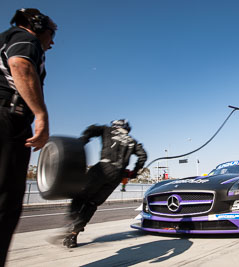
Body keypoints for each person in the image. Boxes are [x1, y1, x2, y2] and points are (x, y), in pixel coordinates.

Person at [0, 8, 57, 266]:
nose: (52, 41)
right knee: (5, 203)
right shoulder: (26, 38)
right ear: (37, 25)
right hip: (7, 120)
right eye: (51, 33)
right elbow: (20, 65)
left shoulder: (5, 37)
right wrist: (41, 115)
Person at [62, 119, 147, 248]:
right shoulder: (131, 141)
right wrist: (135, 172)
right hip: (117, 176)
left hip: (103, 168)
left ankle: (71, 219)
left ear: (115, 125)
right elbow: (143, 156)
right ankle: (73, 235)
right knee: (92, 203)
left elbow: (91, 129)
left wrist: (83, 140)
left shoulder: (107, 130)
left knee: (80, 193)